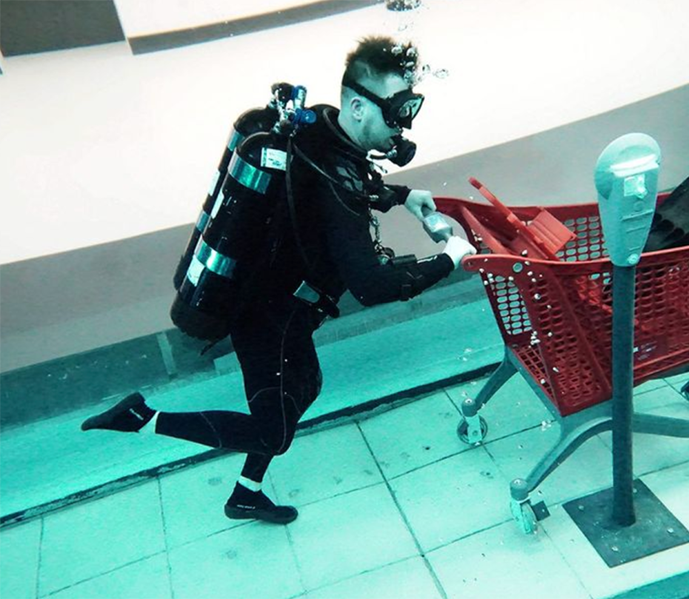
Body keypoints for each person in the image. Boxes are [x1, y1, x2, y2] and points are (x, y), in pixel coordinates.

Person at [81, 36, 477, 524]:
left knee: (304, 387)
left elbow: (343, 180)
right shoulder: (336, 174)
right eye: (397, 110)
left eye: (410, 107)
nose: (405, 123)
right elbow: (371, 286)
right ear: (357, 105)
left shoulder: (325, 130)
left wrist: (400, 195)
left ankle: (246, 494)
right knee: (274, 432)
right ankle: (141, 420)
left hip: (284, 308)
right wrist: (449, 259)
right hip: (268, 316)